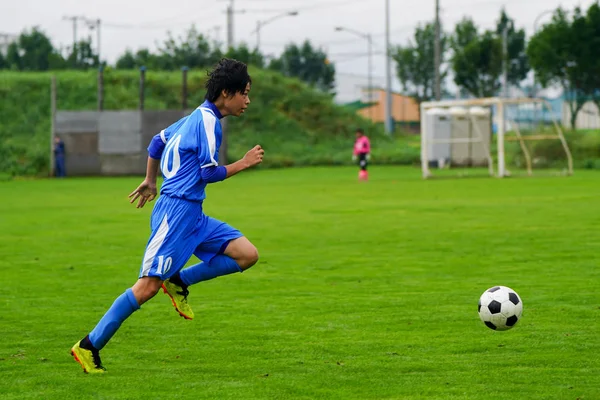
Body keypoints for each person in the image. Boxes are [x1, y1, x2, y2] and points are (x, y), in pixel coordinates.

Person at [70, 58, 264, 374]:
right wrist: (243, 163)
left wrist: (150, 180)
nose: (248, 100)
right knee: (146, 287)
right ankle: (88, 346)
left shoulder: (192, 118)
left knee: (247, 254)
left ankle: (179, 280)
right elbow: (209, 173)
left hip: (193, 214)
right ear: (226, 93)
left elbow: (156, 142)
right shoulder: (207, 122)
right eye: (244, 93)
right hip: (174, 215)